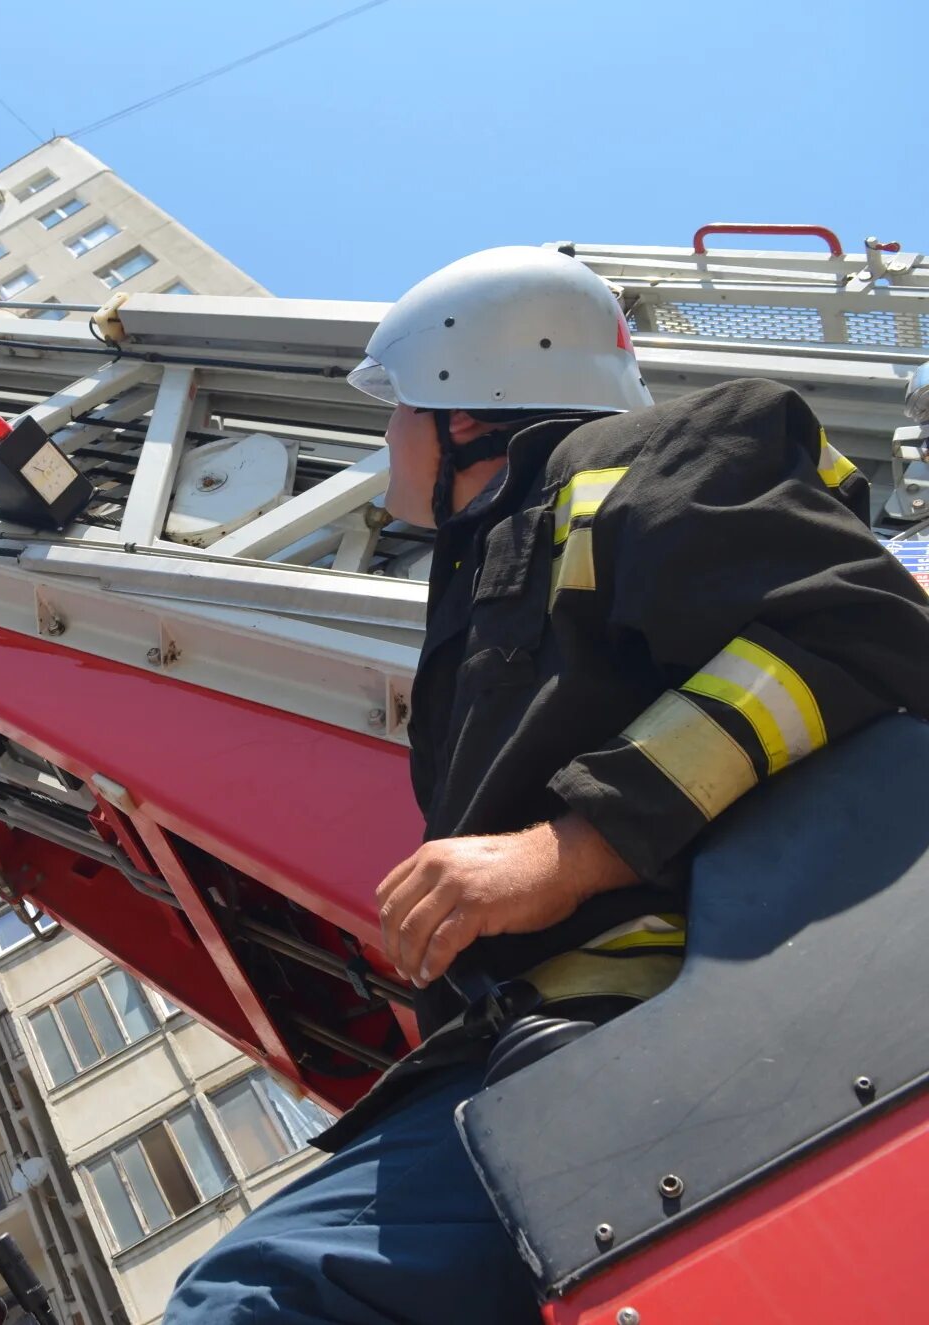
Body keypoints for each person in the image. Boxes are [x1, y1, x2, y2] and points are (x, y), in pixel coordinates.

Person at [163, 246, 929, 1325]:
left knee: (265, 1296)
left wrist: (567, 849)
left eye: (399, 411)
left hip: (673, 1016)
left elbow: (854, 630)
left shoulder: (646, 454)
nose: (385, 437)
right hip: (584, 1044)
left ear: (461, 410)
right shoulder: (487, 573)